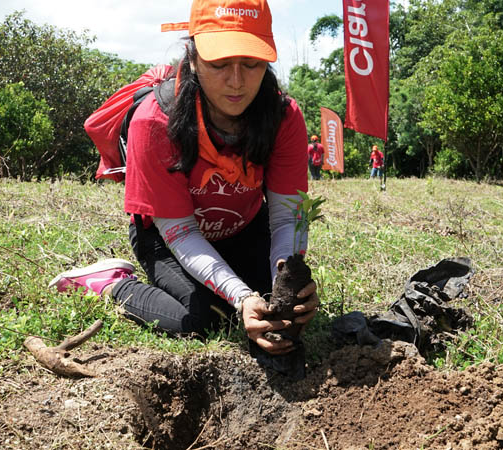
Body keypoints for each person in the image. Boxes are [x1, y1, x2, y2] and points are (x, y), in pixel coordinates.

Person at [49, 0, 319, 358]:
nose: (236, 81)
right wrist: (240, 298)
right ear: (192, 58)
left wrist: (287, 285)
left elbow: (286, 216)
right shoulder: (154, 122)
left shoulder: (284, 117)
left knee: (279, 313)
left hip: (242, 228)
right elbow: (182, 232)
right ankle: (110, 285)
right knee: (206, 318)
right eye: (219, 63)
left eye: (252, 64)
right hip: (167, 238)